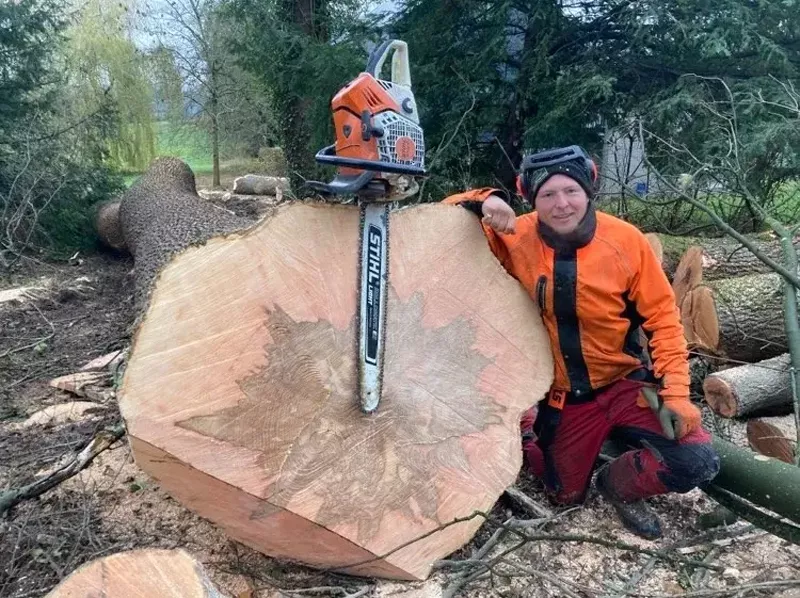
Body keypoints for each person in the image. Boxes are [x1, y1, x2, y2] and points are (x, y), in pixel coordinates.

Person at [443, 145, 720, 540]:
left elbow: (663, 319)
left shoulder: (625, 242)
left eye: (570, 191)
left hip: (628, 385)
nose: (561, 204)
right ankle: (528, 428)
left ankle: (616, 485)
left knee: (696, 460)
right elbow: (445, 215)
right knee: (563, 495)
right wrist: (485, 198)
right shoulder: (515, 236)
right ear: (529, 195)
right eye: (548, 195)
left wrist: (676, 391)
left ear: (589, 187)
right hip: (563, 396)